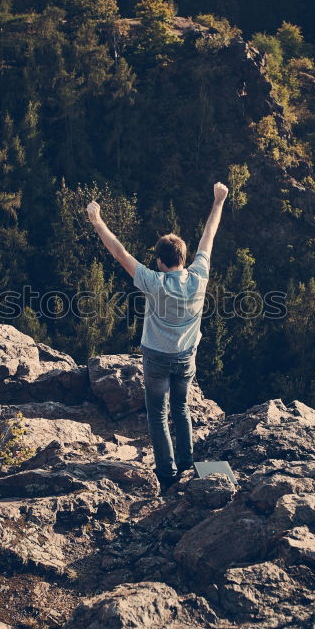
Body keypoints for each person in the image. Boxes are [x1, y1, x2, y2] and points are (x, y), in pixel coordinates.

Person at [87, 182, 228, 493]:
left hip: (156, 359)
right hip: (186, 358)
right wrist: (218, 201)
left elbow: (119, 251)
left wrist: (97, 221)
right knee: (181, 410)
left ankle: (167, 475)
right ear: (183, 257)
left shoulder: (154, 282)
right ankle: (190, 466)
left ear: (161, 262)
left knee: (158, 416)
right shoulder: (199, 277)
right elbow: (209, 237)